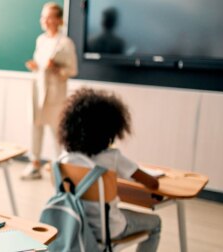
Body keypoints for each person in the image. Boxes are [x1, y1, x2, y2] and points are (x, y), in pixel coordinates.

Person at [57, 88, 161, 252]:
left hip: (76, 224)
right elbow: (152, 184)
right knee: (156, 223)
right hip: (109, 229)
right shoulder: (113, 157)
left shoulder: (65, 157)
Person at [23, 2, 79, 179]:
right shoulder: (41, 40)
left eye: (48, 17)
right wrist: (35, 66)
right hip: (38, 90)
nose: (44, 20)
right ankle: (34, 164)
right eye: (43, 16)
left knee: (57, 131)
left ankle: (61, 168)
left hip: (55, 93)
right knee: (36, 126)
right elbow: (39, 65)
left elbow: (72, 71)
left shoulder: (65, 43)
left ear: (58, 20)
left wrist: (55, 67)